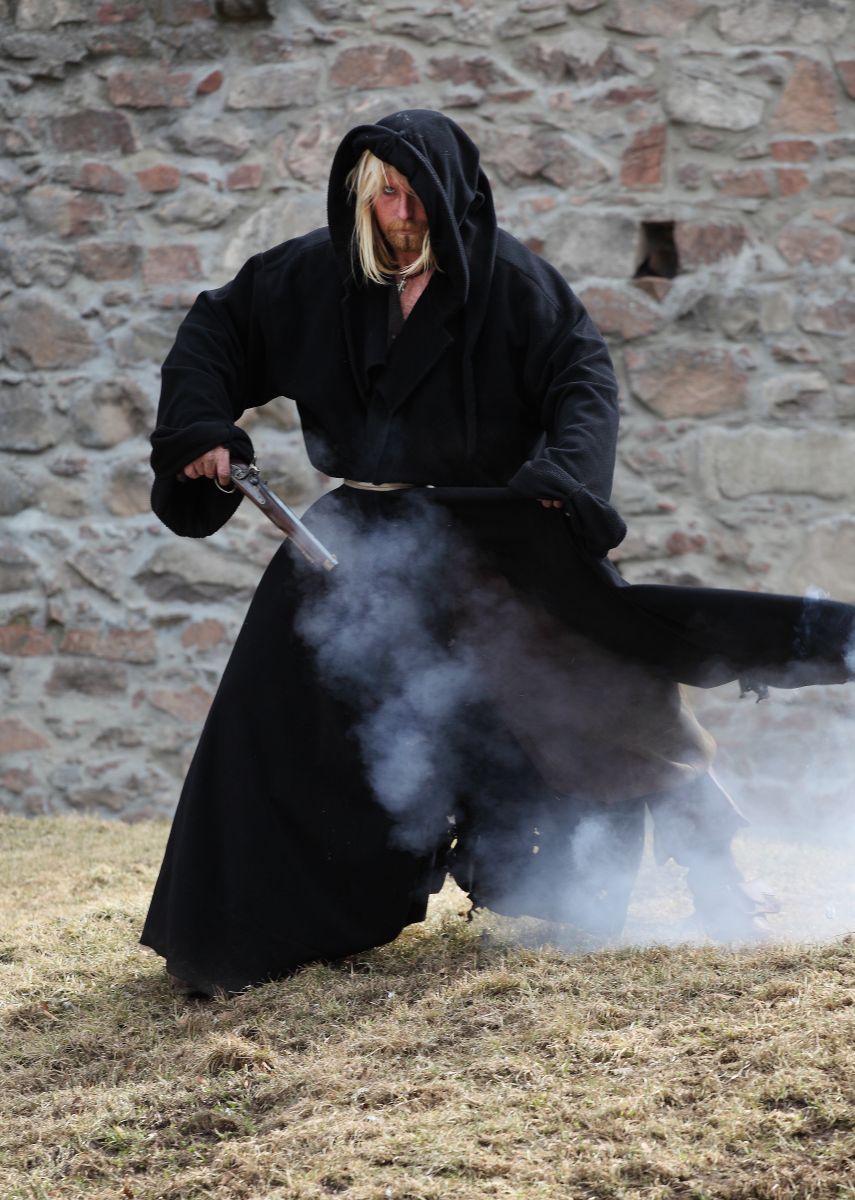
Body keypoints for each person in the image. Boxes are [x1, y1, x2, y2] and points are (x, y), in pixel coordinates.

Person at [142, 110, 854, 996]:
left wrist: (564, 477)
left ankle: (713, 874)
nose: (399, 214)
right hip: (356, 535)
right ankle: (249, 934)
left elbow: (581, 381)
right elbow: (218, 330)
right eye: (383, 194)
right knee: (275, 714)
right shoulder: (316, 273)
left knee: (600, 697)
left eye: (414, 195)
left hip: (499, 529)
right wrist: (203, 427)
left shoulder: (512, 283)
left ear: (449, 195)